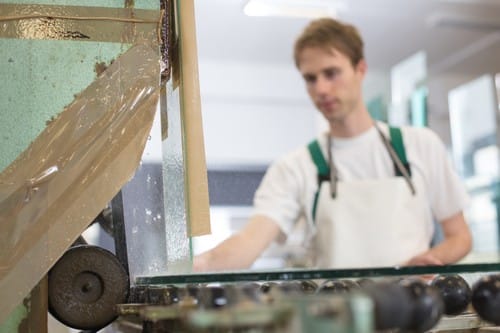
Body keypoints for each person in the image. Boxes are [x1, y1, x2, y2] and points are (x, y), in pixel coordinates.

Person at [194, 17, 472, 271]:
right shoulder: (295, 167)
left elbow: (459, 236)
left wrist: (430, 261)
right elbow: (249, 242)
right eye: (310, 79)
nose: (321, 89)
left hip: (412, 315)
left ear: (360, 69)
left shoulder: (419, 145)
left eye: (331, 73)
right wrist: (199, 265)